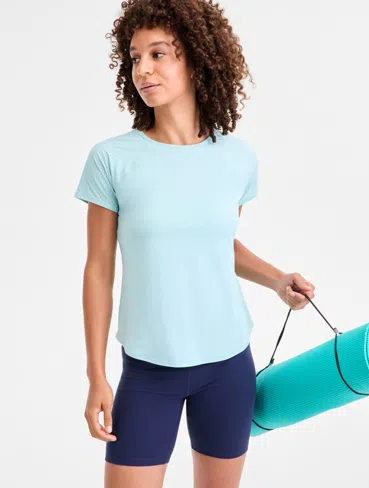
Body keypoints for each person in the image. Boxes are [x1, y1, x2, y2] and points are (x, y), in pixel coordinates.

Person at [74, 1, 315, 486]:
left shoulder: (236, 158)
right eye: (135, 57)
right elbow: (98, 269)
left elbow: (217, 245)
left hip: (228, 366)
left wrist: (277, 280)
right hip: (148, 371)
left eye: (158, 53)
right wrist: (96, 375)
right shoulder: (112, 159)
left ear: (196, 60)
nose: (143, 69)